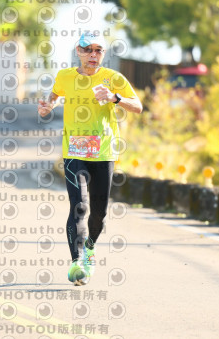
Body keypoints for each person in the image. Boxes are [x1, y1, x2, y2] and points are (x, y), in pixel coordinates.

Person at [37, 32, 143, 285]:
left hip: (103, 152)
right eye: (87, 49)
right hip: (74, 151)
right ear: (78, 51)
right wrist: (49, 106)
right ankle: (76, 261)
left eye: (98, 50)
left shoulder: (113, 78)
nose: (93, 55)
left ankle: (90, 249)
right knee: (79, 206)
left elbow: (138, 106)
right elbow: (55, 95)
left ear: (103, 54)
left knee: (99, 213)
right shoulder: (65, 76)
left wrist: (115, 98)